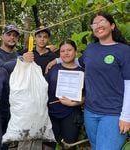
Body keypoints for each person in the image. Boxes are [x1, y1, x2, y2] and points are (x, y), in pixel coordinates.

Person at [46, 11, 130, 150]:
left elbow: (129, 84)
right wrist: (56, 59)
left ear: (112, 26)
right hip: (91, 112)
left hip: (113, 113)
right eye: (94, 24)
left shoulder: (124, 50)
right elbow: (78, 61)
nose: (98, 25)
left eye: (102, 21)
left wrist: (126, 116)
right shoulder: (91, 48)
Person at [45, 40, 84, 150]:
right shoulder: (52, 68)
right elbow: (43, 88)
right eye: (63, 51)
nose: (66, 53)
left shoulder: (82, 72)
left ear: (75, 52)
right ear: (59, 54)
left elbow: (86, 96)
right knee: (49, 145)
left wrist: (75, 103)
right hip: (51, 113)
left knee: (69, 145)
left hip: (71, 114)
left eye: (69, 50)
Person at [0, 24, 20, 150]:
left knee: (6, 142)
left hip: (13, 106)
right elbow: (2, 67)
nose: (12, 38)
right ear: (2, 36)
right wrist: (20, 61)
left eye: (15, 35)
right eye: (9, 34)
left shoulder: (17, 55)